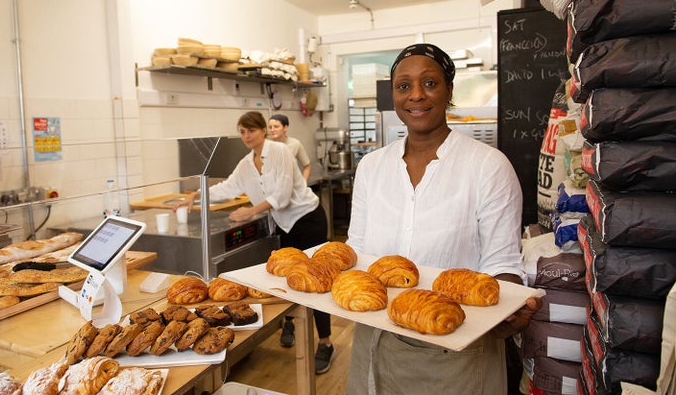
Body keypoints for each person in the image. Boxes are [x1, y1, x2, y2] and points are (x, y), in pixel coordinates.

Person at [345, 44, 543, 394]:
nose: (416, 95)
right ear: (393, 94)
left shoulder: (487, 166)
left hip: (455, 349)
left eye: (430, 83)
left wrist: (508, 308)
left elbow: (502, 261)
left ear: (449, 90)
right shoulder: (371, 167)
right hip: (373, 337)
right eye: (404, 86)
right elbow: (357, 249)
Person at [173, 111, 335, 374]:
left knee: (315, 282)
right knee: (288, 280)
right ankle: (293, 325)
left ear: (263, 130)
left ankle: (325, 341)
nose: (246, 136)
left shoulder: (280, 152)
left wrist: (250, 211)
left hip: (307, 220)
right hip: (283, 226)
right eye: (241, 131)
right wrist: (195, 195)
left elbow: (281, 197)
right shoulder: (247, 163)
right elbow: (228, 187)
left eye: (250, 130)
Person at [268, 113, 312, 181]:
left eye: (276, 127)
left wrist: (303, 185)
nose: (272, 130)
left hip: (290, 186)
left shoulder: (295, 144)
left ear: (285, 128)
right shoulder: (265, 144)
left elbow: (307, 166)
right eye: (270, 127)